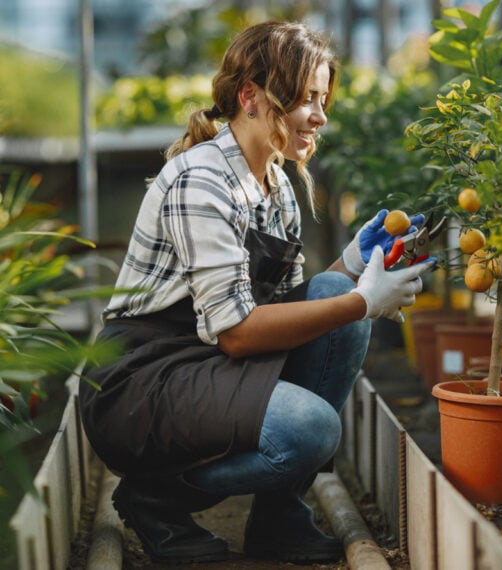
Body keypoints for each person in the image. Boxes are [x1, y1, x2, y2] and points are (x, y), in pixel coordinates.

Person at [79, 20, 433, 565]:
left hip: (207, 365)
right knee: (311, 427)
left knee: (335, 291)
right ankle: (156, 498)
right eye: (305, 98)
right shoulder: (200, 181)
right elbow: (242, 334)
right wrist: (366, 299)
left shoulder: (276, 183)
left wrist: (356, 266)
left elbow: (289, 314)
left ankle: (279, 517)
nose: (320, 114)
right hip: (144, 381)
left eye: (323, 98)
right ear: (250, 97)